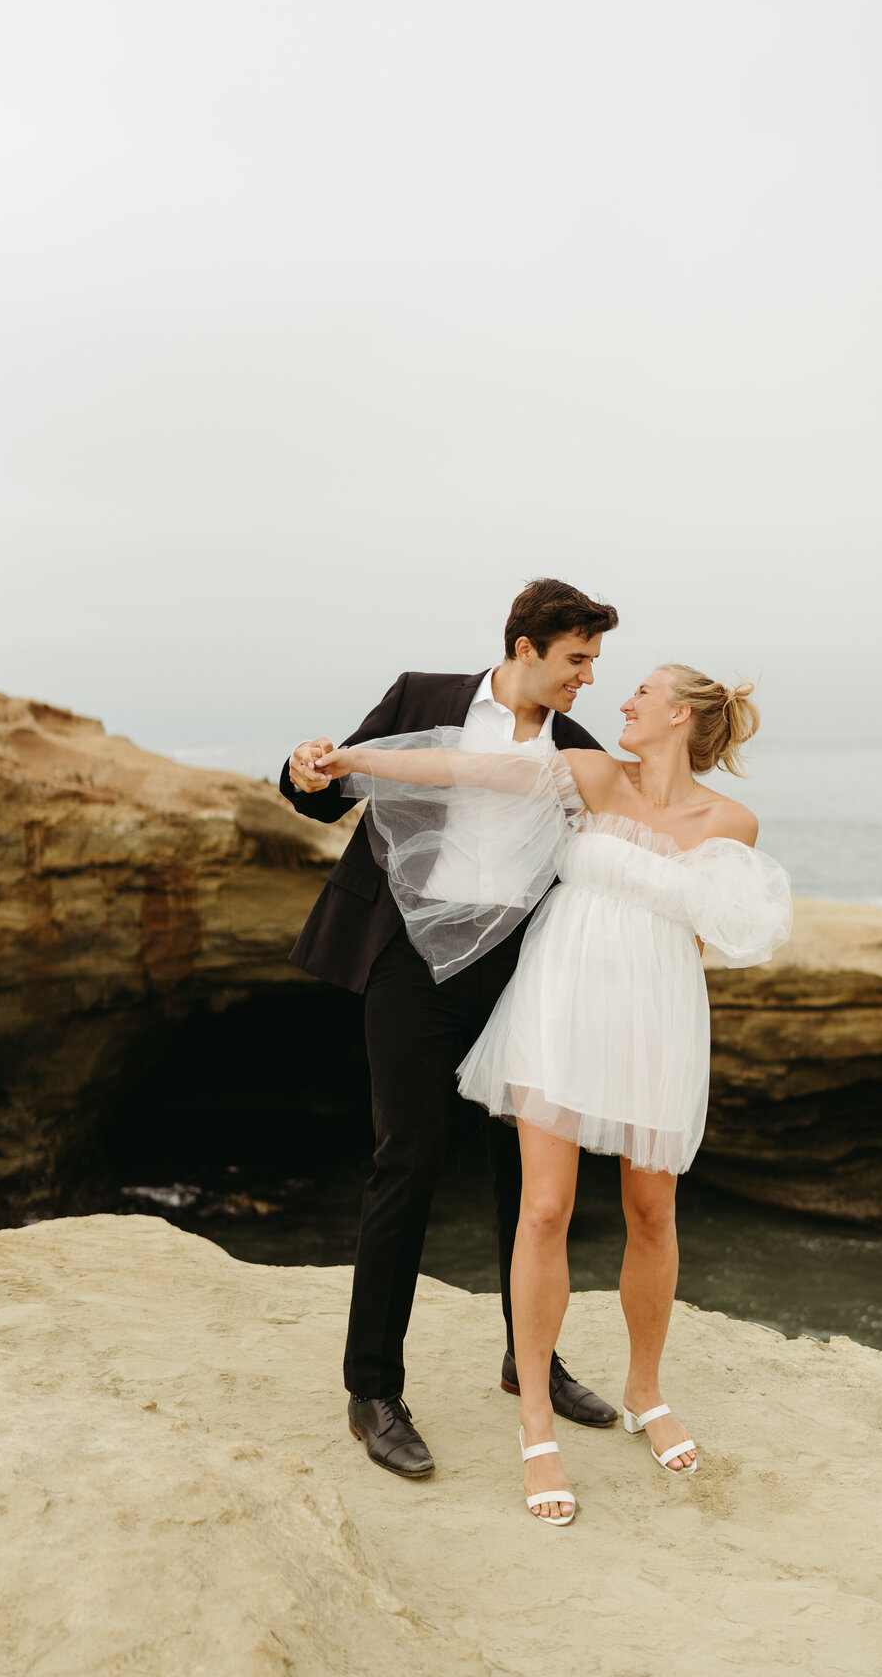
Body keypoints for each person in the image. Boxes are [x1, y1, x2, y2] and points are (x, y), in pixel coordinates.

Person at [315, 662, 793, 1522]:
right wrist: (356, 761)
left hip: (655, 1016)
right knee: (544, 1209)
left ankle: (646, 1388)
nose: (624, 699)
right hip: (558, 1002)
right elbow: (462, 769)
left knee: (653, 1211)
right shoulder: (588, 773)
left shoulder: (732, 823)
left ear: (680, 716)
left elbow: (722, 931)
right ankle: (535, 1416)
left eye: (642, 692)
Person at [280, 578, 621, 1478]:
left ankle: (530, 1359)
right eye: (577, 659)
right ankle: (373, 1391)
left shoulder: (577, 746)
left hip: (519, 971)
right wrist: (301, 769)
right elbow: (330, 792)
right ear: (524, 648)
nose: (587, 677)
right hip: (409, 963)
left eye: (594, 661)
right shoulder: (421, 698)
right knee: (410, 1154)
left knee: (528, 1172)